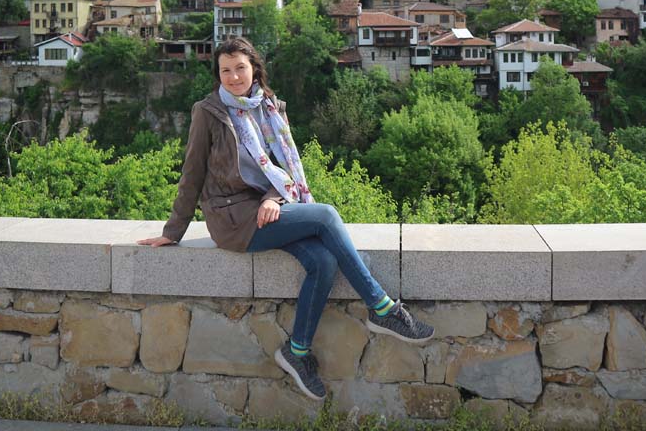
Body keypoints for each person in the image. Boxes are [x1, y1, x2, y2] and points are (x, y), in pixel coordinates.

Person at [138, 36, 433, 401]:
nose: (233, 77)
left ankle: (296, 352)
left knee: (323, 262)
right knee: (326, 216)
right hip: (232, 218)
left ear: (254, 69)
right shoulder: (209, 111)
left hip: (269, 209)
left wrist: (273, 197)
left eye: (240, 68)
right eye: (225, 71)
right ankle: (382, 307)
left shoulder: (272, 108)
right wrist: (173, 231)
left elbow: (283, 169)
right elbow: (192, 173)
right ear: (218, 74)